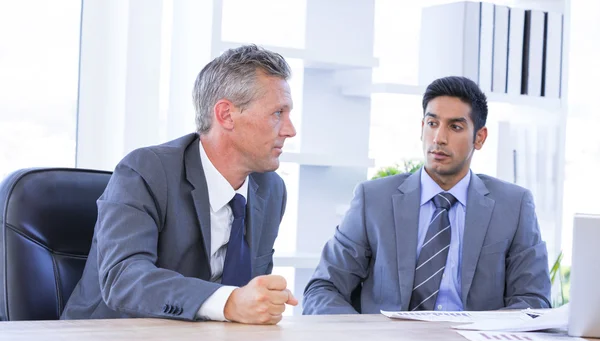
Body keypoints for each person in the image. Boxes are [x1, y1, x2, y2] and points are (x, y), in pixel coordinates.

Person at [62, 45, 298, 324]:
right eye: (277, 113)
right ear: (226, 115)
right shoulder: (145, 171)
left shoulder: (270, 190)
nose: (290, 130)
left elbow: (249, 294)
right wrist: (230, 301)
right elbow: (123, 278)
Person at [303, 76, 551, 314]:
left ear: (480, 137)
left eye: (455, 127)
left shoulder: (514, 206)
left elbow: (533, 301)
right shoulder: (373, 200)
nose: (439, 138)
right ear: (422, 128)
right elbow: (324, 288)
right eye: (432, 124)